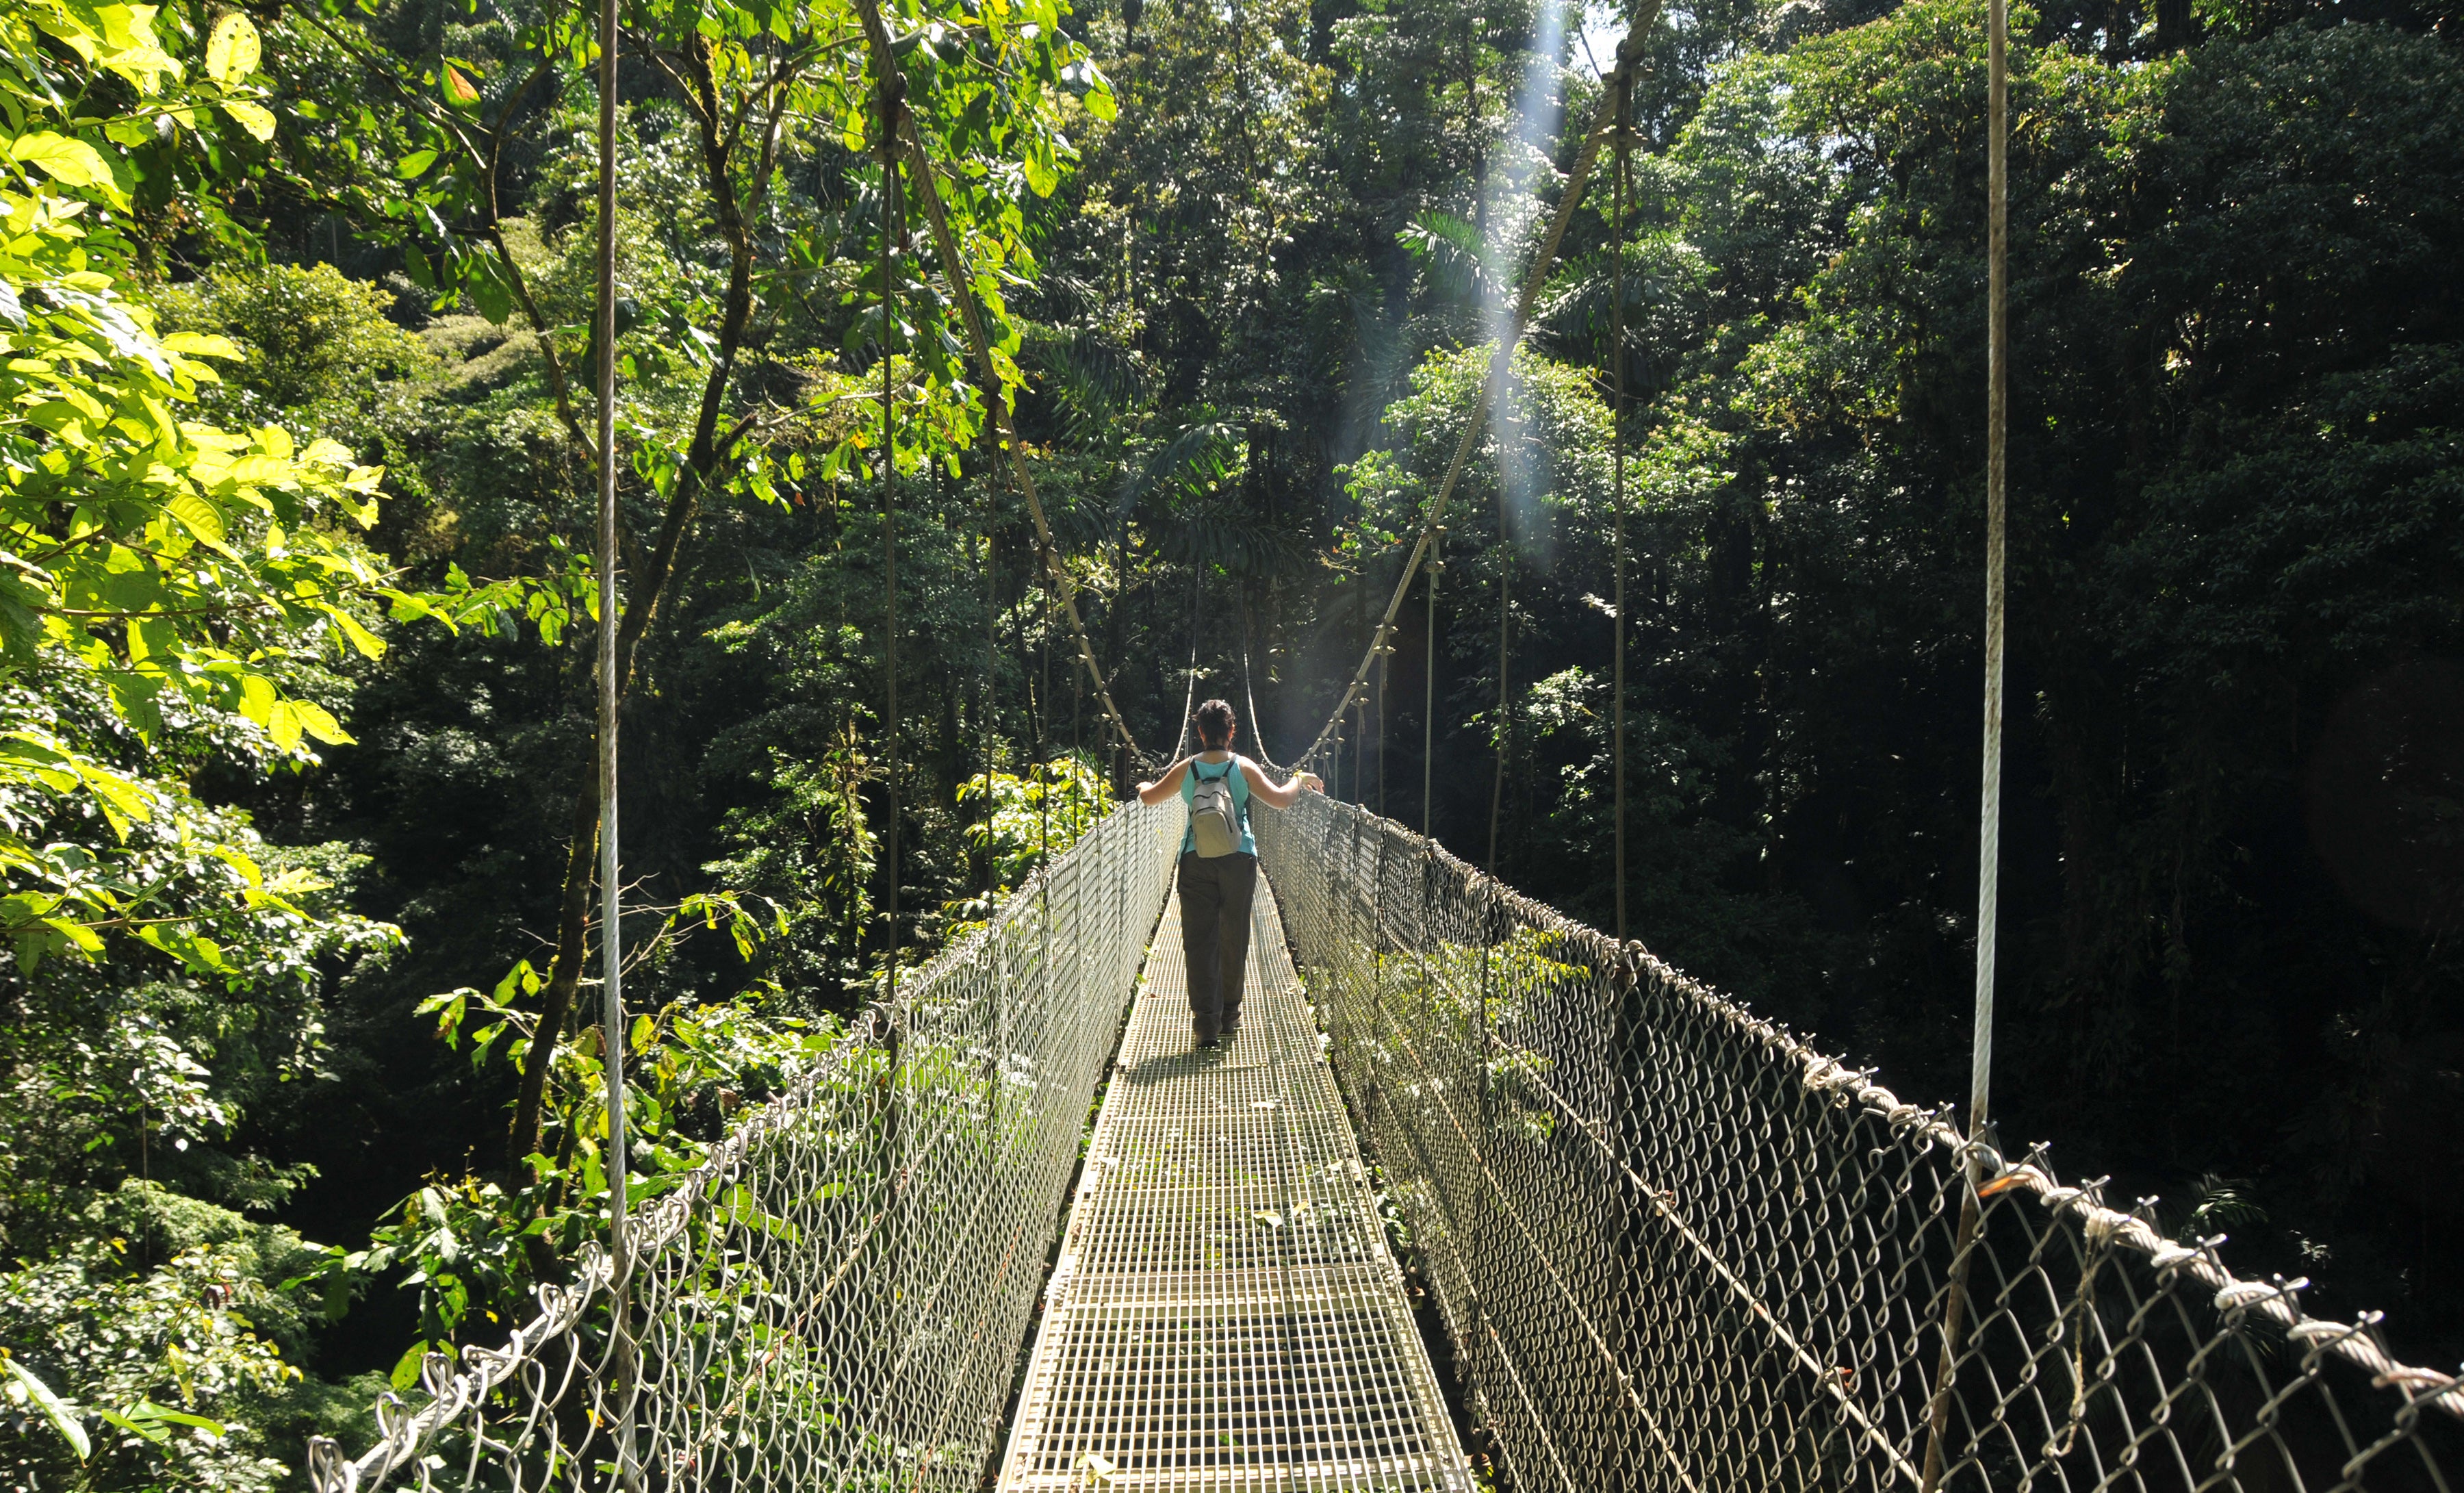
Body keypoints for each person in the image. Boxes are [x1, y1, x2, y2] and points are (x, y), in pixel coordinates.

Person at [1135, 700, 1322, 1049]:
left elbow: (1149, 799)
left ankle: (1206, 1024)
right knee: (1234, 936)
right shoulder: (1244, 766)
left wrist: (1145, 784)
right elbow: (1281, 800)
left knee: (1198, 941)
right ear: (1232, 732)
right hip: (1239, 859)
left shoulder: (1186, 769)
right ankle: (1231, 1016)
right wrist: (1299, 779)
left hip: (1196, 859)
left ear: (1201, 733)